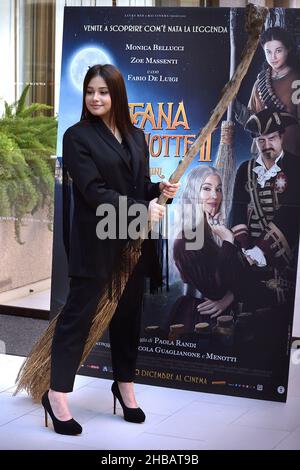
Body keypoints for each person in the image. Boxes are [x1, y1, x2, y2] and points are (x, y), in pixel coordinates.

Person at [42, 64, 179, 435]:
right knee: (78, 316)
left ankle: (124, 385)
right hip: (94, 240)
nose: (96, 98)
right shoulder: (77, 137)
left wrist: (157, 190)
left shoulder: (136, 136)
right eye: (90, 92)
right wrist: (140, 207)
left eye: (103, 91)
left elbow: (136, 184)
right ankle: (56, 395)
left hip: (132, 239)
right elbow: (94, 192)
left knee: (128, 316)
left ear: (116, 94)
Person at [230, 109, 300, 361]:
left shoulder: (296, 167)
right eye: (260, 140)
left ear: (281, 137)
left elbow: (292, 215)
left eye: (271, 138)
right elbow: (236, 211)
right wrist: (245, 249)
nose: (266, 145)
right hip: (248, 259)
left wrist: (260, 251)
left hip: (285, 261)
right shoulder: (243, 169)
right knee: (249, 323)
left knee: (277, 325)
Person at [167, 166, 247, 338]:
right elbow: (215, 290)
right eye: (207, 188)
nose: (215, 195)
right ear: (193, 192)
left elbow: (240, 275)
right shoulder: (186, 238)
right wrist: (227, 241)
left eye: (218, 189)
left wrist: (230, 297)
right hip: (197, 318)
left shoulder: (211, 231)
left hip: (220, 318)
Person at [235, 26, 300, 156]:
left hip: (291, 152)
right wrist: (234, 105)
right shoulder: (260, 82)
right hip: (264, 152)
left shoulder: (297, 78)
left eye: (278, 51)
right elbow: (251, 119)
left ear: (288, 50)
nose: (273, 57)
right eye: (268, 52)